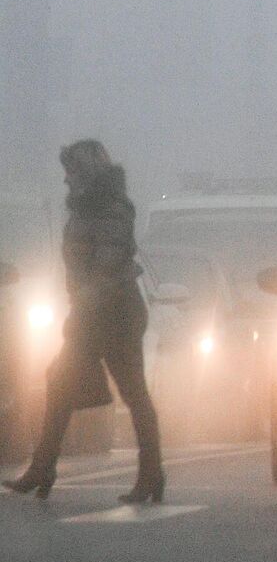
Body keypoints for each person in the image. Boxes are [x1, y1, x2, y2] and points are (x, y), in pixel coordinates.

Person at [6, 140, 166, 503]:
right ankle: (43, 467)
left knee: (132, 394)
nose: (66, 179)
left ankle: (149, 473)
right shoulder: (85, 208)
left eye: (72, 171)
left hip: (116, 314)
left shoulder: (111, 209)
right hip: (95, 313)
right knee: (61, 382)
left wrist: (81, 309)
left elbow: (105, 267)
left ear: (89, 172)